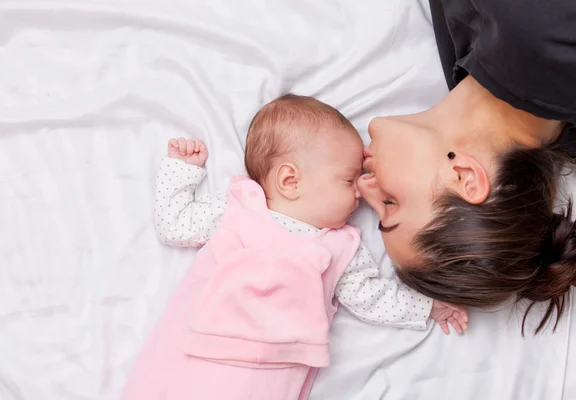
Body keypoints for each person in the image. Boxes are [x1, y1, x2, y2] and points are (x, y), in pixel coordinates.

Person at [121, 95, 467, 400]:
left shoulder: (341, 246)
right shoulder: (238, 207)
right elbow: (175, 226)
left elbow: (372, 298)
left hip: (269, 377)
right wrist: (181, 172)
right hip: (193, 357)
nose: (360, 190)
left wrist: (427, 307)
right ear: (290, 180)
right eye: (348, 179)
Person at [357, 0, 576, 334]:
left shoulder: (471, 69)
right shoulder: (541, 35)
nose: (363, 187)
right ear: (465, 177)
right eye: (390, 203)